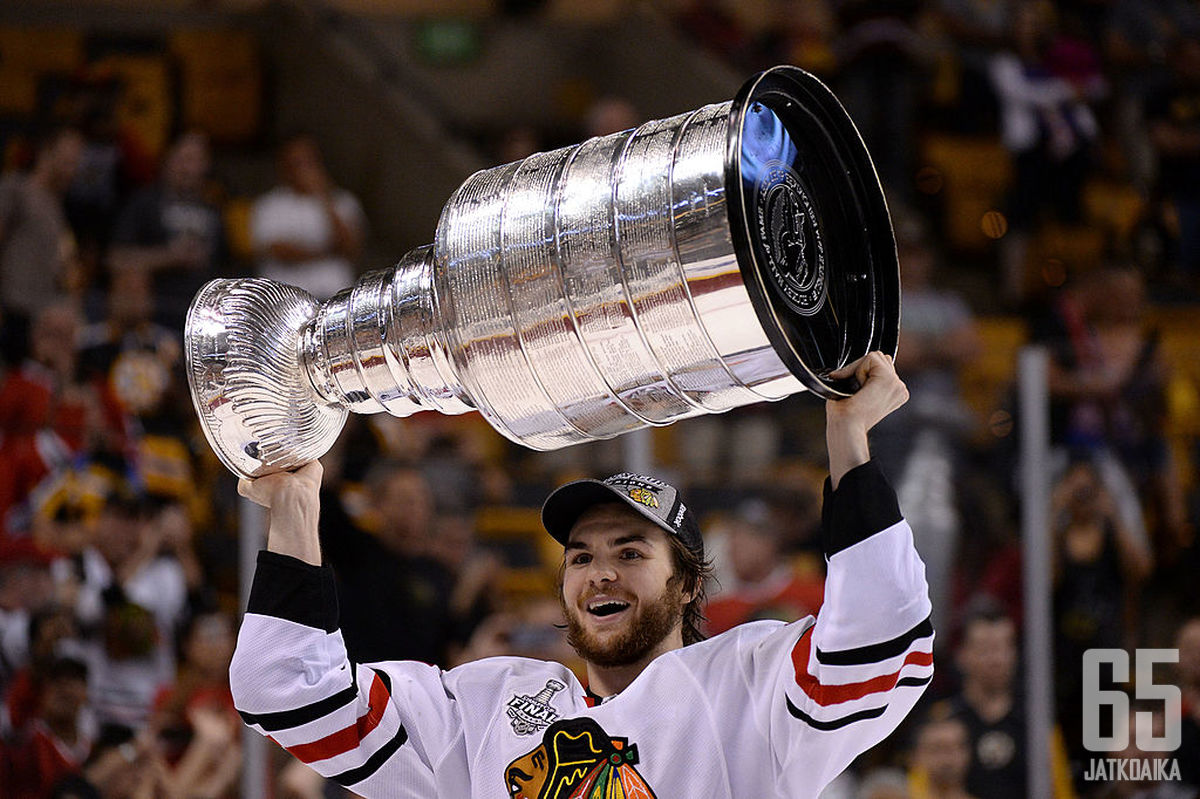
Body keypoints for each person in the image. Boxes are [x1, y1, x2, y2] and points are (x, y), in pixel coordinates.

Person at [229, 352, 933, 798]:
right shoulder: (485, 707)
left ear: (687, 584)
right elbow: (287, 688)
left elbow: (884, 646)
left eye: (631, 553)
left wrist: (848, 439)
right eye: (582, 556)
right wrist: (294, 505)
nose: (600, 573)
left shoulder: (747, 689)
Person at [109, 130, 227, 330]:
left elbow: (226, 267)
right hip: (155, 315)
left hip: (204, 320)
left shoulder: (213, 210)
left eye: (195, 160)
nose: (188, 169)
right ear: (167, 160)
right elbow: (116, 258)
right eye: (183, 159)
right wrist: (170, 257)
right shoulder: (144, 203)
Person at [0, 126, 85, 365]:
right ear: (47, 153)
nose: (73, 169)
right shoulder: (16, 189)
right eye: (68, 160)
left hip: (43, 321)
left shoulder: (57, 206)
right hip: (13, 312)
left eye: (75, 163)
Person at [250, 134, 365, 300]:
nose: (304, 169)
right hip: (287, 302)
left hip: (335, 300)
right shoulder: (269, 205)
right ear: (283, 166)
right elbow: (280, 252)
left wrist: (324, 198)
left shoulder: (342, 201)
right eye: (297, 163)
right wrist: (328, 252)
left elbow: (350, 248)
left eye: (309, 161)